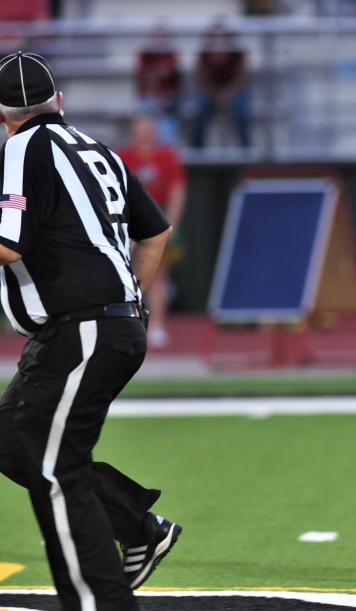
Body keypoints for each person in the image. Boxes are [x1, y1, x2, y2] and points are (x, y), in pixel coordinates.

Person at [0, 52, 180, 611]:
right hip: (102, 326)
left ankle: (101, 603)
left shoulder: (23, 147)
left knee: (55, 470)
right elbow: (155, 233)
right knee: (13, 441)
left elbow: (8, 245)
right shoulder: (95, 147)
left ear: (4, 115)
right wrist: (129, 302)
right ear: (59, 100)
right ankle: (138, 526)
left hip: (81, 330)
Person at [119, 115, 187, 348]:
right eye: (141, 129)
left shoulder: (167, 157)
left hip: (155, 224)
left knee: (158, 276)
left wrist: (170, 223)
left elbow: (177, 191)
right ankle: (130, 323)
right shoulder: (123, 156)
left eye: (149, 129)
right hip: (129, 225)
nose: (145, 134)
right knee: (126, 278)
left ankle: (157, 324)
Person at [190, 22, 251, 149]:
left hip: (233, 92)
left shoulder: (237, 53)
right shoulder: (203, 54)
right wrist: (216, 94)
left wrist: (228, 93)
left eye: (223, 37)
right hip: (210, 93)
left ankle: (247, 151)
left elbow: (241, 78)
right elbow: (202, 79)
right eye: (215, 37)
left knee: (242, 110)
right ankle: (197, 151)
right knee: (199, 109)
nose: (219, 41)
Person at [134, 26, 182, 144]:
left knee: (168, 124)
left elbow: (174, 80)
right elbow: (143, 80)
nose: (160, 41)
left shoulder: (171, 55)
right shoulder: (145, 55)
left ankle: (166, 150)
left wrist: (163, 99)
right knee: (144, 108)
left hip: (168, 99)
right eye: (157, 37)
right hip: (148, 97)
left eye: (163, 37)